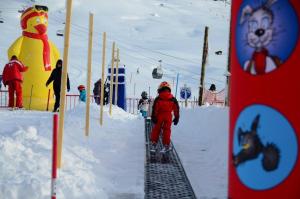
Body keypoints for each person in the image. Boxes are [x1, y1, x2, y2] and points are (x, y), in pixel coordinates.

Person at [150, 81, 180, 153]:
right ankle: (166, 145)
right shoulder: (172, 98)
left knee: (157, 129)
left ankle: (154, 144)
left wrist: (153, 117)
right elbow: (176, 108)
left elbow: (155, 108)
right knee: (167, 130)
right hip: (168, 116)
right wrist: (176, 117)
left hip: (159, 115)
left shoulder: (158, 98)